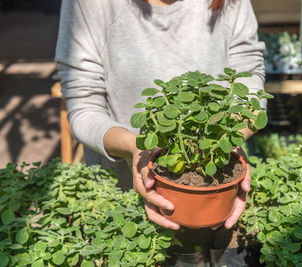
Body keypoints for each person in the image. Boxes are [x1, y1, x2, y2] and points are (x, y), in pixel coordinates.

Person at [56, 0, 265, 261]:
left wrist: (230, 137)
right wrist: (136, 146)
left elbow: (248, 74)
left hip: (219, 201)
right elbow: (83, 104)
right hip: (124, 198)